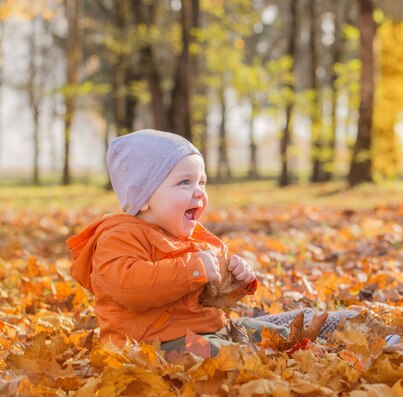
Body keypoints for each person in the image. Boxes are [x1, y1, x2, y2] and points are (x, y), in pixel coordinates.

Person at [66, 129, 363, 357]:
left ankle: (338, 342)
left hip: (208, 329)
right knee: (231, 356)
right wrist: (193, 270)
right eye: (185, 183)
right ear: (143, 199)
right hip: (154, 344)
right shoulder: (119, 236)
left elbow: (209, 295)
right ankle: (286, 357)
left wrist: (237, 278)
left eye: (201, 182)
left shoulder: (188, 235)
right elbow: (129, 286)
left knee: (271, 333)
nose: (198, 192)